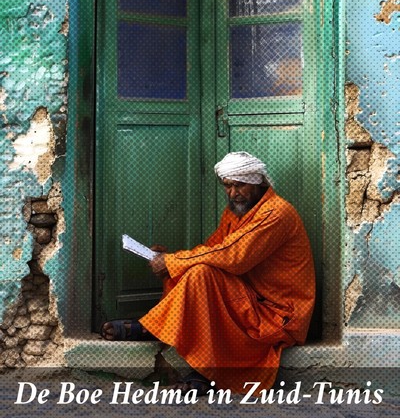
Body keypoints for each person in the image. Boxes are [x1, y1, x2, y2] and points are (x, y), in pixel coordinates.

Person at [101, 151, 316, 395]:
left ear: (259, 182)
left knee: (200, 272)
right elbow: (213, 249)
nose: (233, 193)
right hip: (250, 299)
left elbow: (234, 257)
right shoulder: (236, 212)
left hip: (278, 314)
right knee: (193, 270)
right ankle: (170, 340)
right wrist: (170, 262)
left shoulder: (276, 213)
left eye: (240, 185)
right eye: (227, 186)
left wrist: (173, 261)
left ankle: (159, 335)